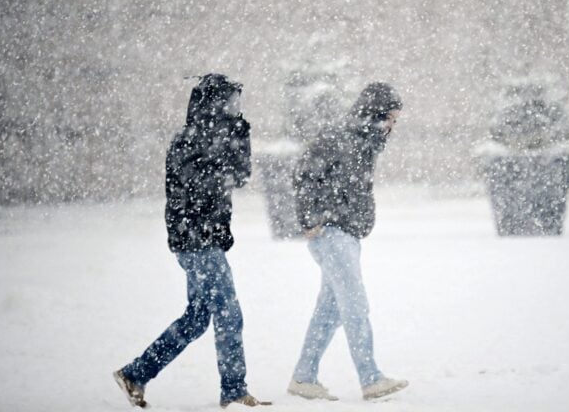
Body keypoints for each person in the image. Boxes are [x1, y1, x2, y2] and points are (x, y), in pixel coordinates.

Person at [113, 74, 271, 408]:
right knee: (229, 313)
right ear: (213, 103)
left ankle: (135, 374)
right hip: (195, 241)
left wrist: (242, 139)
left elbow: (239, 177)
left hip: (207, 239)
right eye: (229, 102)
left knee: (198, 318)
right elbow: (202, 185)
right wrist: (225, 150)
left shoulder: (221, 136)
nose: (234, 109)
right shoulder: (187, 140)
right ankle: (234, 390)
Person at [287, 82, 408, 401]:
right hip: (331, 234)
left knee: (330, 311)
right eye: (390, 117)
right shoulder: (339, 137)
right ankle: (370, 378)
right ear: (375, 113)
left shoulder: (365, 142)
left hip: (349, 235)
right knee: (355, 304)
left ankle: (303, 377)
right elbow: (302, 174)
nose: (392, 125)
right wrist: (309, 220)